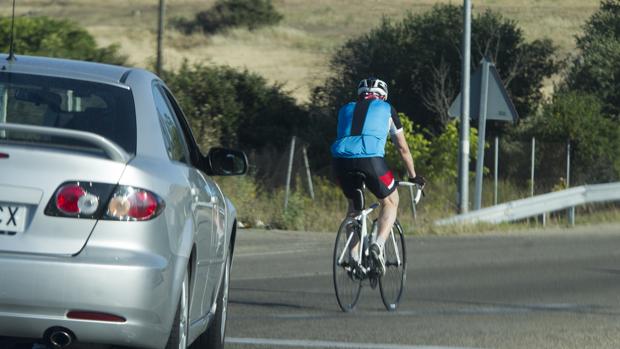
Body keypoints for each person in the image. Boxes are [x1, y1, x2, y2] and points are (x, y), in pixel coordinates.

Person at [331, 77, 425, 276]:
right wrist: (414, 176)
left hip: (341, 160)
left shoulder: (345, 109)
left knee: (354, 208)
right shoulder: (386, 109)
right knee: (391, 201)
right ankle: (377, 244)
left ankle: (354, 258)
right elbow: (402, 148)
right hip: (371, 159)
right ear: (383, 96)